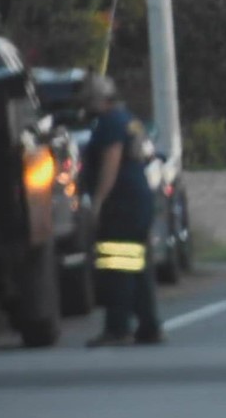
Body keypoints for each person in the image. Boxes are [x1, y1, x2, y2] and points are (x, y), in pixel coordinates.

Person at [80, 74, 163, 347]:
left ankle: (117, 329)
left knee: (116, 267)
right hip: (137, 202)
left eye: (88, 98)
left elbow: (111, 162)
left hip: (121, 204)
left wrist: (99, 202)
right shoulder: (128, 119)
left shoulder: (110, 123)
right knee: (138, 267)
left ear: (98, 99)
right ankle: (149, 326)